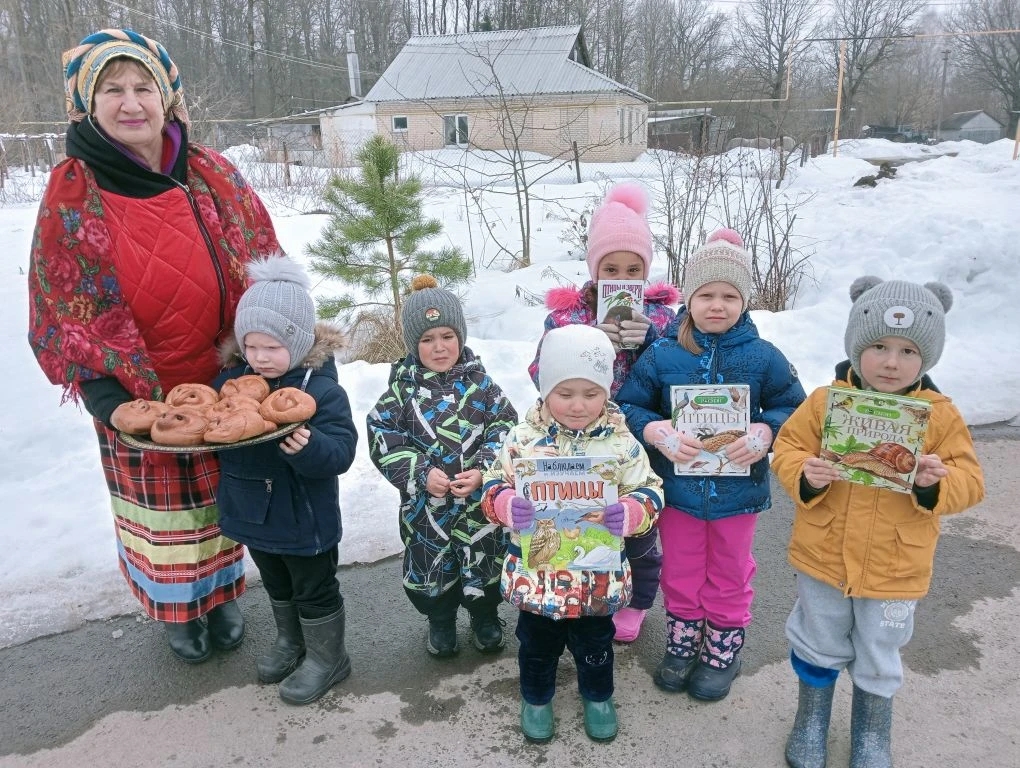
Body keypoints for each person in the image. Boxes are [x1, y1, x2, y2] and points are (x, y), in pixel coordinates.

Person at [26, 28, 282, 663]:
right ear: (88, 105)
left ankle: (222, 596)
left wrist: (269, 343)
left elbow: (264, 256)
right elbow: (62, 303)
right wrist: (107, 399)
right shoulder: (73, 191)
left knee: (222, 500)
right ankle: (176, 612)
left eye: (144, 86)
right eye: (112, 89)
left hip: (221, 378)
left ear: (167, 98)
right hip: (136, 390)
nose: (131, 102)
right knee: (161, 516)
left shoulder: (211, 173)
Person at [772, 277, 984, 768]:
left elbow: (971, 481)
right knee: (817, 638)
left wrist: (933, 484)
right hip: (824, 557)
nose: (891, 362)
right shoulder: (826, 402)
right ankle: (811, 720)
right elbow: (788, 448)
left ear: (926, 357)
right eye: (879, 347)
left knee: (880, 648)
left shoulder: (939, 416)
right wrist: (806, 473)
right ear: (856, 346)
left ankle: (871, 732)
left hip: (895, 566)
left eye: (908, 351)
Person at [615, 228, 806, 701]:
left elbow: (793, 407)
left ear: (744, 301)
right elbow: (629, 406)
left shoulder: (763, 356)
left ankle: (723, 647)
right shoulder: (662, 353)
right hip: (678, 490)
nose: (717, 305)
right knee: (680, 568)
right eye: (706, 295)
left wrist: (765, 433)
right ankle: (683, 641)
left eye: (729, 296)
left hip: (739, 494)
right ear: (689, 298)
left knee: (729, 570)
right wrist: (656, 432)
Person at [481, 324, 665, 744]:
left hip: (597, 578)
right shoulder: (522, 438)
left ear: (606, 391)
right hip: (538, 578)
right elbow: (492, 483)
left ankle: (598, 697)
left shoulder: (621, 443)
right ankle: (536, 698)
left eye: (591, 393)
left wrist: (633, 511)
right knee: (535, 646)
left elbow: (650, 488)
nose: (579, 405)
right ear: (545, 390)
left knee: (596, 645)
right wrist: (505, 504)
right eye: (565, 393)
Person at [527, 182, 680, 643]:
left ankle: (637, 603)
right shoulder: (566, 318)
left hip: (639, 441)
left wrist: (651, 343)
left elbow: (676, 383)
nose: (622, 277)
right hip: (578, 438)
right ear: (595, 269)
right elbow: (539, 373)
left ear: (645, 270)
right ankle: (583, 587)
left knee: (639, 529)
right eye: (611, 268)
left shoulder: (661, 318)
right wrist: (588, 347)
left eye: (633, 269)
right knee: (586, 518)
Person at [212, 255, 358, 705]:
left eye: (272, 347)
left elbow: (342, 451)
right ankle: (290, 641)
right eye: (251, 346)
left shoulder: (321, 390)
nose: (260, 357)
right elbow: (214, 431)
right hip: (252, 512)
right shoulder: (232, 383)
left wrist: (310, 447)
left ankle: (328, 658)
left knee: (313, 589)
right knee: (276, 582)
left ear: (295, 341)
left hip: (303, 519)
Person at [367, 275, 518, 658]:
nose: (439, 347)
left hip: (478, 509)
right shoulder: (401, 392)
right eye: (427, 339)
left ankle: (485, 617)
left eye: (447, 336)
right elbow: (383, 436)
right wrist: (419, 473)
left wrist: (484, 469)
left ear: (460, 336)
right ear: (412, 344)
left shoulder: (482, 386)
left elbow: (505, 426)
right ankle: (440, 620)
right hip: (426, 511)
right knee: (431, 568)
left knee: (485, 563)